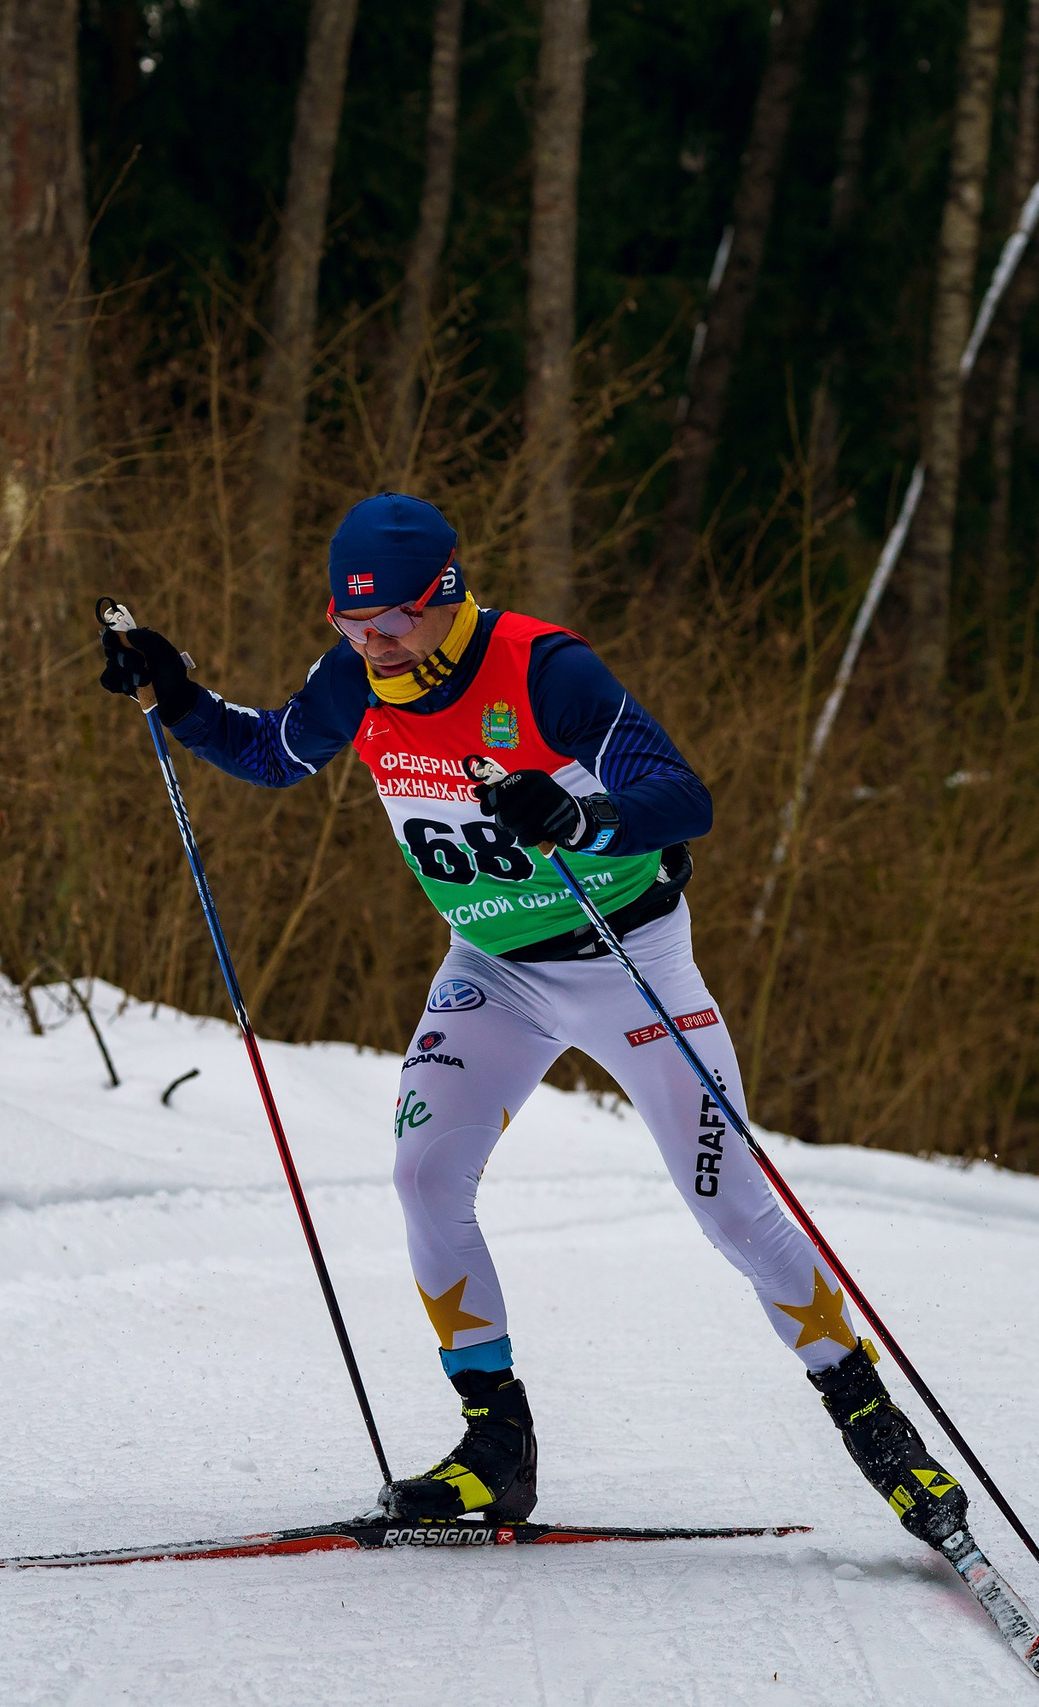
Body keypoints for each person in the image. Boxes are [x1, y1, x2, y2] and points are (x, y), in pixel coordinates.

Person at [98, 493, 968, 1543]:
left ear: (447, 596)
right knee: (424, 1177)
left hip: (626, 959)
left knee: (731, 1208)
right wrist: (177, 697)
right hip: (494, 970)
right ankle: (493, 1452)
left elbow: (681, 796)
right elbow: (276, 753)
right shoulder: (355, 680)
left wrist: (584, 816)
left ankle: (878, 1430)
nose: (372, 646)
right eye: (350, 625)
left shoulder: (544, 670)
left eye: (393, 624)